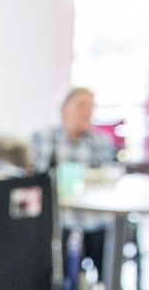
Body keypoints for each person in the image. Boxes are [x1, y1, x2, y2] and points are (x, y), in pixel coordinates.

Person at [31, 86, 117, 270]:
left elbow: (109, 176)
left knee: (108, 251)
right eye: (81, 105)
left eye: (91, 106)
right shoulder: (45, 137)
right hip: (60, 214)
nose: (87, 111)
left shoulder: (101, 141)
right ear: (64, 110)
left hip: (95, 215)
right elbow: (38, 177)